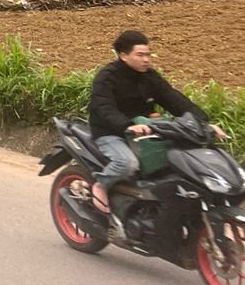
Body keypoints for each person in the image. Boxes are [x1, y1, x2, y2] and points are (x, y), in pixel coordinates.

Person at [87, 29, 224, 215]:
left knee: (175, 160)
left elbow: (173, 99)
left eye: (148, 55)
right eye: (140, 55)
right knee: (127, 163)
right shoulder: (107, 76)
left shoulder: (149, 76)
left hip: (145, 130)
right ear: (124, 55)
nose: (146, 60)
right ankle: (101, 185)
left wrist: (202, 123)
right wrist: (127, 125)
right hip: (111, 132)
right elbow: (103, 107)